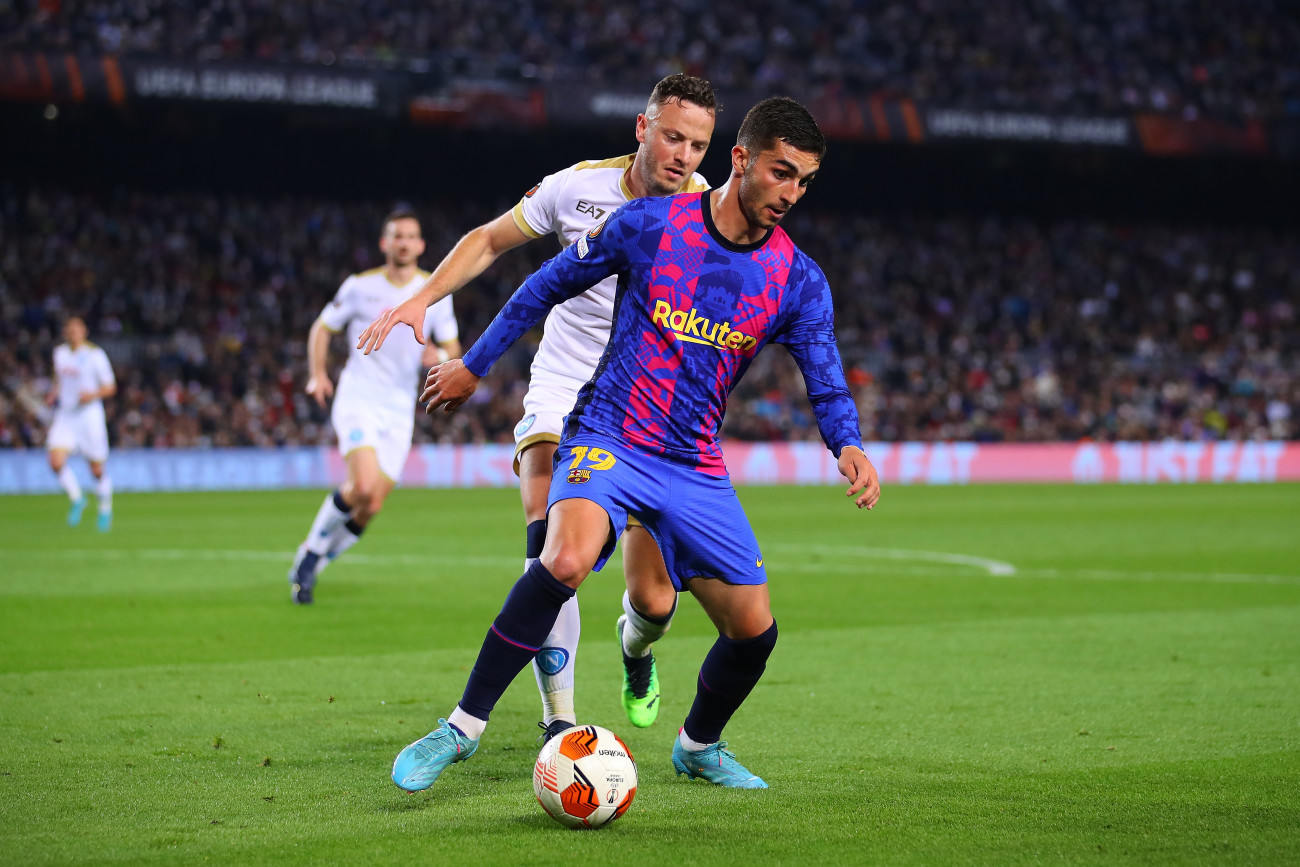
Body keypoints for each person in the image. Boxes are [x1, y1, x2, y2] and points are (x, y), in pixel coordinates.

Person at [392, 97, 881, 793]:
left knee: (753, 630)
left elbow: (826, 381)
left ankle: (698, 745)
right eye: (781, 173)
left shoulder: (797, 280)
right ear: (740, 160)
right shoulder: (650, 225)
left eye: (804, 181)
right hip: (611, 432)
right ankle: (461, 727)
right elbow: (541, 287)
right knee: (560, 556)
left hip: (693, 462)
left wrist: (849, 444)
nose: (791, 193)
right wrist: (475, 362)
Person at [356, 74, 718, 739]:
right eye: (672, 136)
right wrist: (422, 298)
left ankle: (636, 650)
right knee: (550, 546)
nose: (684, 155)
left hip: (649, 406)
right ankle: (562, 723)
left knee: (654, 600)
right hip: (564, 383)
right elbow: (490, 240)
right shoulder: (575, 187)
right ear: (643, 129)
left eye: (698, 145)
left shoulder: (712, 212)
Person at [287, 209, 461, 604]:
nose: (403, 242)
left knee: (373, 503)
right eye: (396, 236)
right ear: (385, 244)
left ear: (420, 245)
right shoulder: (358, 287)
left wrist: (437, 355)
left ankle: (314, 563)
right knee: (362, 485)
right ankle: (310, 556)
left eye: (410, 236)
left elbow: (453, 351)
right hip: (358, 397)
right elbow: (321, 328)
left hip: (399, 409)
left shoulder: (435, 291)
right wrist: (317, 374)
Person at [46, 317, 117, 531]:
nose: (73, 332)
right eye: (69, 329)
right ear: (65, 332)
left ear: (84, 331)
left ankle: (105, 509)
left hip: (89, 415)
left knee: (96, 470)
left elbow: (110, 387)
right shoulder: (59, 353)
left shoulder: (95, 355)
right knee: (56, 462)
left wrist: (92, 394)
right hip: (66, 414)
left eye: (76, 329)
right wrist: (53, 393)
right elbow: (59, 379)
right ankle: (77, 498)